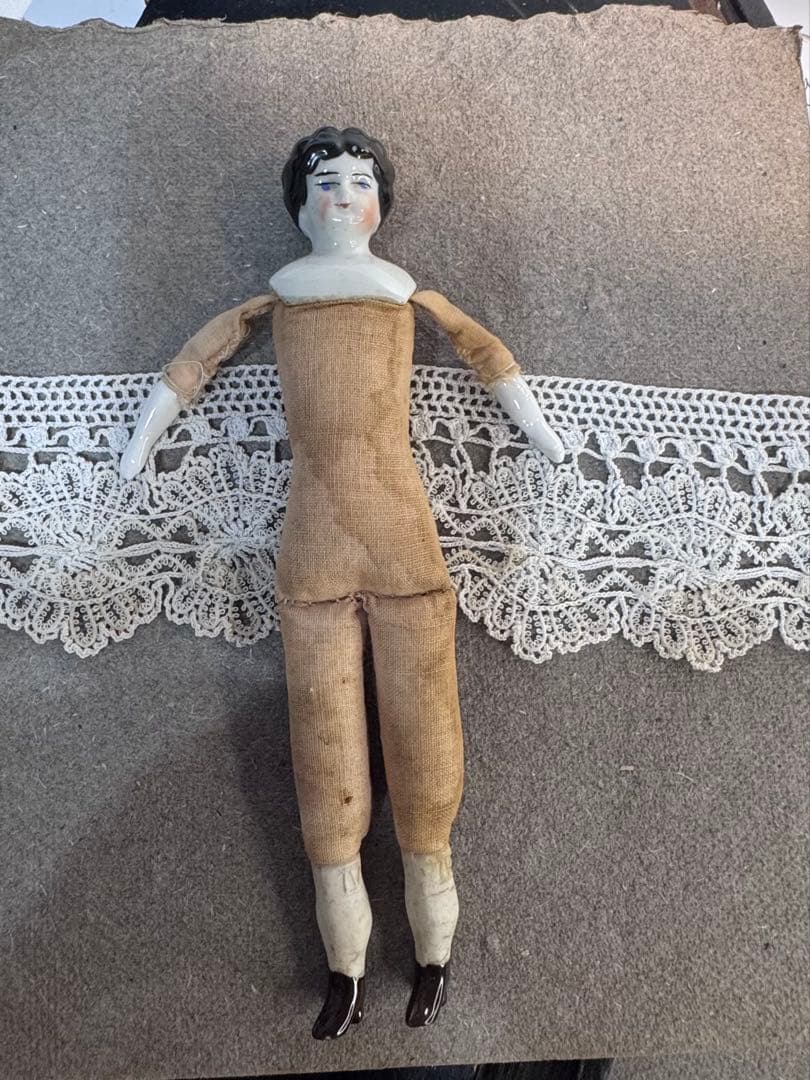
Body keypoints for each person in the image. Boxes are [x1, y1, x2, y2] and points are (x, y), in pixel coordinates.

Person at [120, 125, 564, 1039]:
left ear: (381, 205)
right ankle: (346, 969)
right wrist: (140, 442)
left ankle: (432, 952)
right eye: (326, 181)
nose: (344, 195)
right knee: (324, 755)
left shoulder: (405, 293)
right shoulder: (279, 297)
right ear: (300, 204)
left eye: (361, 182)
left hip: (405, 544)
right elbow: (193, 365)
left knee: (427, 738)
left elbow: (488, 356)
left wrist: (542, 432)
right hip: (313, 552)